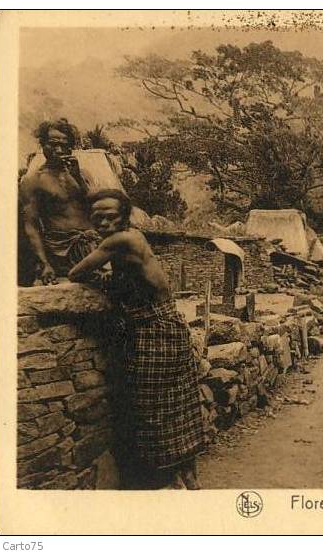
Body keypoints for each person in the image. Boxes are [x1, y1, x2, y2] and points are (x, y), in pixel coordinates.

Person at [68, 189, 203, 489]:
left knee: (152, 406)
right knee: (174, 404)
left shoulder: (121, 240)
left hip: (157, 332)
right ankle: (185, 475)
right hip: (166, 329)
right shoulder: (132, 239)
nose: (103, 222)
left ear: (124, 217)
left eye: (110, 216)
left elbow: (76, 272)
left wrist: (79, 248)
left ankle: (163, 480)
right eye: (97, 217)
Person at [19, 119, 100, 284]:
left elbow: (97, 207)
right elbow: (31, 225)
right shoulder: (33, 180)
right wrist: (44, 263)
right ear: (42, 145)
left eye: (65, 145)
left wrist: (77, 177)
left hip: (93, 244)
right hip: (61, 249)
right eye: (53, 144)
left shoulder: (82, 174)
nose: (59, 149)